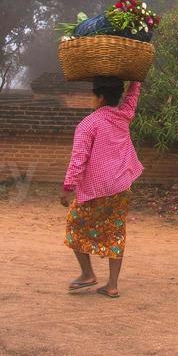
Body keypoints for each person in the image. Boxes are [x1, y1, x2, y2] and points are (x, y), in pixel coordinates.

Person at [61, 75, 143, 298]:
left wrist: (68, 186)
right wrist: (136, 80)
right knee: (116, 231)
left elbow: (79, 158)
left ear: (99, 97)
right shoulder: (123, 116)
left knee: (74, 226)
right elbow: (132, 98)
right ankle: (112, 285)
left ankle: (87, 274)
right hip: (121, 185)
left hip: (96, 188)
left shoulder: (88, 124)